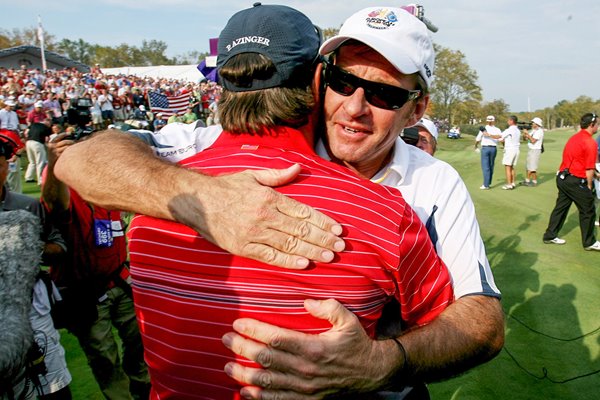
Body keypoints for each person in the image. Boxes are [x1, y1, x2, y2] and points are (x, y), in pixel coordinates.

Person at [53, 5, 503, 399]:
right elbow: (83, 158)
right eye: (343, 82)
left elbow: (481, 321)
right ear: (317, 80)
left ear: (417, 109)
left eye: (385, 94)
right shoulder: (196, 150)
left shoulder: (431, 182)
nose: (355, 107)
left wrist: (380, 363)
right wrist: (202, 200)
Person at [42, 136, 151, 400]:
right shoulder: (65, 183)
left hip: (120, 281)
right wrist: (55, 161)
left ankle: (143, 388)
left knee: (142, 340)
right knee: (104, 358)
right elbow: (55, 203)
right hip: (85, 292)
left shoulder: (107, 183)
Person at [0, 138, 72, 400]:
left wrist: (26, 247)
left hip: (32, 309)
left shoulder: (25, 206)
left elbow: (59, 248)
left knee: (51, 385)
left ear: (6, 166)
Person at [543, 112, 600, 251]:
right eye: (597, 124)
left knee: (561, 207)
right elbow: (589, 169)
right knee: (588, 210)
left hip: (563, 177)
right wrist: (589, 185)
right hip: (576, 180)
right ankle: (589, 242)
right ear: (591, 125)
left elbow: (578, 160)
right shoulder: (590, 142)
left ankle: (550, 235)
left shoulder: (574, 138)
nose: (598, 126)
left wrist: (596, 175)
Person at [487, 115, 521, 190]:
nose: (507, 121)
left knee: (507, 167)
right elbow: (505, 139)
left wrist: (489, 135)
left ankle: (509, 184)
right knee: (511, 167)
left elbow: (499, 136)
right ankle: (512, 183)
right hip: (516, 149)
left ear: (512, 121)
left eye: (508, 120)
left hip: (510, 150)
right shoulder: (518, 130)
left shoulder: (509, 129)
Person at [475, 115, 501, 190]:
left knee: (486, 166)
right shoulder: (487, 129)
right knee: (490, 166)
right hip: (492, 149)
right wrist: (476, 145)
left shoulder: (495, 129)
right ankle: (488, 183)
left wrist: (475, 146)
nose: (489, 121)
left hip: (486, 148)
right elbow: (478, 139)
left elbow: (477, 139)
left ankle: (486, 185)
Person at [24, 118, 51, 185]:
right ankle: (40, 180)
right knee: (40, 162)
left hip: (29, 142)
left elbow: (26, 133)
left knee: (32, 162)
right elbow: (47, 139)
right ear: (47, 123)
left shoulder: (34, 124)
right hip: (38, 143)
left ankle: (28, 177)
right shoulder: (46, 127)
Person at [520, 117, 544, 187]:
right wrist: (525, 134)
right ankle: (530, 181)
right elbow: (525, 139)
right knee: (529, 167)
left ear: (537, 124)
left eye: (533, 123)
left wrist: (528, 134)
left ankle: (532, 181)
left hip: (535, 150)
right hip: (531, 150)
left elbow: (533, 141)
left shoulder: (539, 131)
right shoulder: (533, 130)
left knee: (532, 167)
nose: (532, 124)